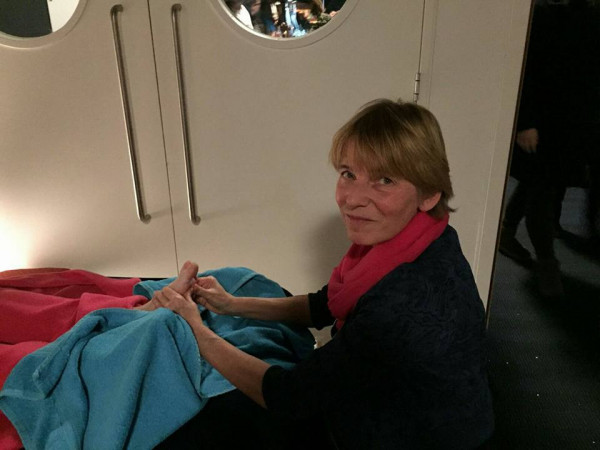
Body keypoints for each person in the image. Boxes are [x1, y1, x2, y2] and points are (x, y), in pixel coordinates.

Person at [151, 99, 494, 449]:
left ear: (429, 194)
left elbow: (288, 398)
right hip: (432, 415)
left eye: (385, 180)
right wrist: (231, 304)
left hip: (408, 437)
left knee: (200, 423)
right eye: (348, 174)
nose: (352, 199)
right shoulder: (426, 238)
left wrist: (194, 328)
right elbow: (323, 305)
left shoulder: (401, 304)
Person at [498, 0, 600, 297]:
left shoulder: (588, 13)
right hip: (546, 122)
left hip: (574, 123)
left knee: (540, 183)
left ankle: (507, 233)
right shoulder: (546, 13)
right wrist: (525, 122)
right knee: (543, 188)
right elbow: (526, 64)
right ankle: (547, 263)